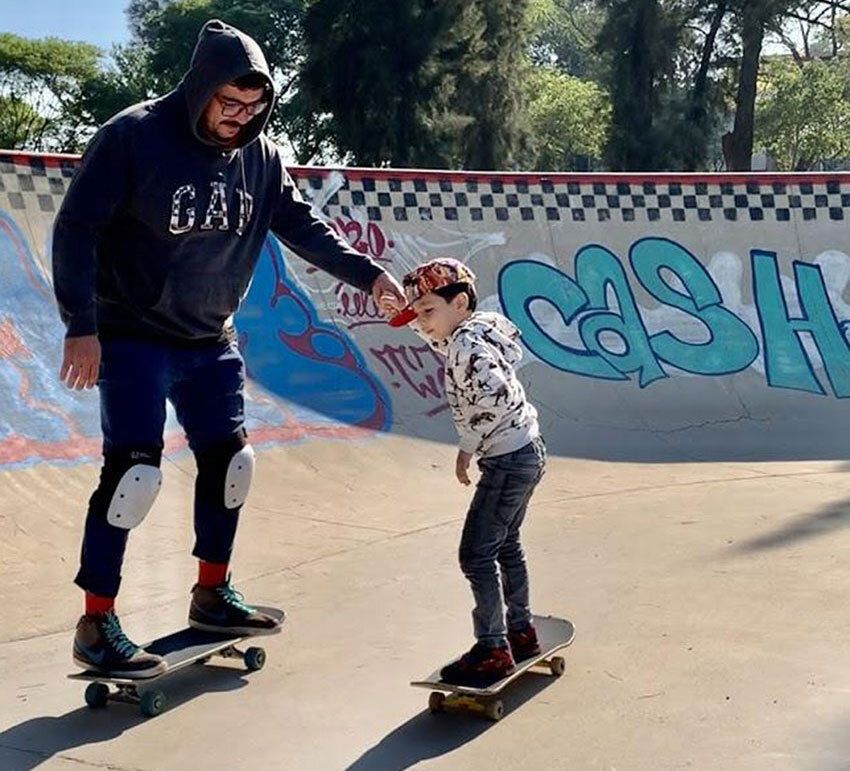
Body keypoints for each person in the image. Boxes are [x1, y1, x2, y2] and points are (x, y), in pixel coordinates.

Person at [53, 19, 405, 678]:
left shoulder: (262, 157)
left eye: (254, 108)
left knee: (231, 464)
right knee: (134, 474)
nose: (240, 119)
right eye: (229, 105)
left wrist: (369, 274)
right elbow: (77, 226)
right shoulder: (132, 137)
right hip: (132, 333)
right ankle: (96, 621)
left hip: (209, 335)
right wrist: (81, 322)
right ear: (201, 89)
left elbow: (302, 224)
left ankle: (212, 593)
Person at [389, 258, 546, 686]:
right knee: (506, 544)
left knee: (475, 555)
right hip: (527, 450)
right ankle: (521, 630)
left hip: (506, 460)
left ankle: (493, 648)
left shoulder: (466, 347)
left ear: (458, 302)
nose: (422, 326)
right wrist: (408, 316)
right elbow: (449, 345)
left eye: (427, 313)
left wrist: (467, 447)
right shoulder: (476, 330)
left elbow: (495, 397)